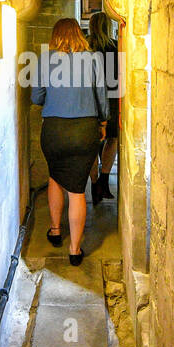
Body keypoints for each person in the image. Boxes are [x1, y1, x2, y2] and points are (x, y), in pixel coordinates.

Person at [31, 17, 108, 265]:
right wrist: (103, 122)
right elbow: (101, 95)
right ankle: (75, 250)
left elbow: (36, 96)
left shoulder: (45, 59)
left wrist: (55, 98)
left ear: (55, 35)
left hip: (54, 130)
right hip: (84, 130)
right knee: (77, 190)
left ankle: (55, 230)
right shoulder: (94, 58)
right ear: (79, 33)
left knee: (55, 177)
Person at [87, 11, 120, 206]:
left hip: (90, 99)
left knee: (92, 144)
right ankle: (104, 180)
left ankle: (93, 184)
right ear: (109, 26)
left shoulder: (85, 46)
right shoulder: (115, 47)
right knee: (112, 138)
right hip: (113, 99)